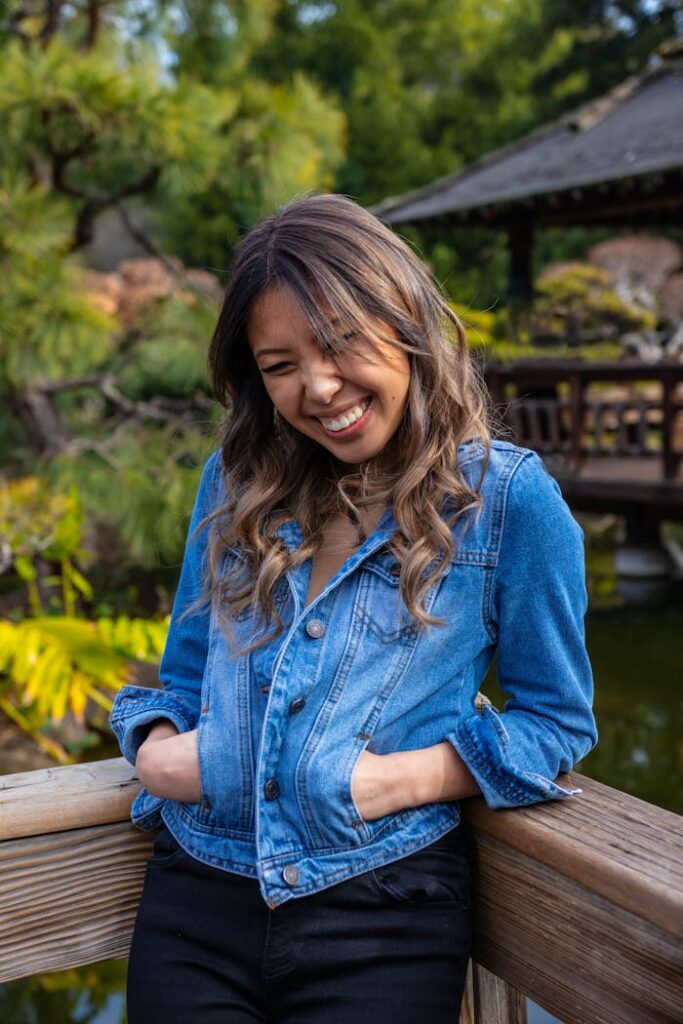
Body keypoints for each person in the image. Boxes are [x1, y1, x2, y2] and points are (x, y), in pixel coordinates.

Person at [110, 193, 597, 1024]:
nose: (318, 386)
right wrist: (156, 749)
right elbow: (185, 675)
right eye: (280, 365)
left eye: (338, 343)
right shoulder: (232, 482)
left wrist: (382, 782)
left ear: (403, 319)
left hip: (386, 907)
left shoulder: (508, 502)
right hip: (198, 894)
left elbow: (556, 723)